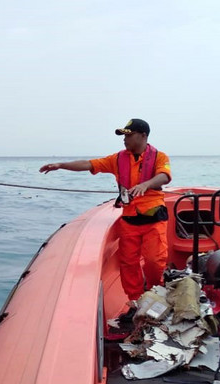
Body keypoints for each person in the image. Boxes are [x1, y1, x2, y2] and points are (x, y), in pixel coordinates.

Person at [39, 119, 171, 315]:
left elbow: (165, 176)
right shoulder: (118, 159)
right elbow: (89, 164)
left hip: (153, 218)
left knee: (154, 260)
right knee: (128, 263)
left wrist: (146, 185)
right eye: (124, 136)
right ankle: (136, 303)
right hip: (129, 219)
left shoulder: (159, 157)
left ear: (143, 136)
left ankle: (156, 294)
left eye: (129, 135)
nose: (125, 140)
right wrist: (61, 165)